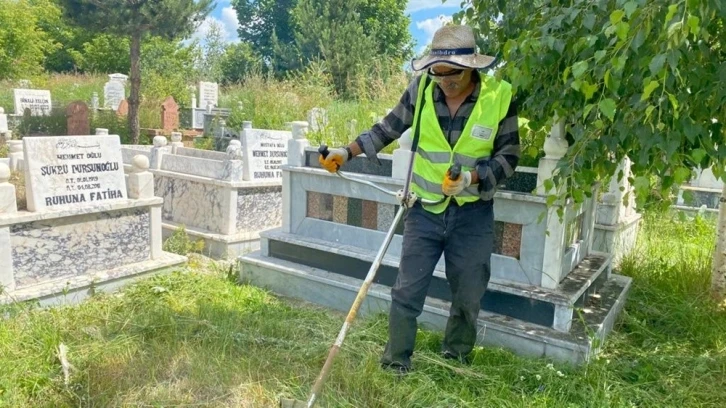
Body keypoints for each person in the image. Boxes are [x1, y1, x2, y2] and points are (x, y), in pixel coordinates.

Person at [318, 24, 520, 373]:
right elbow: (387, 128)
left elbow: (510, 156)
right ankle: (395, 362)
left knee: (468, 294)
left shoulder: (499, 96)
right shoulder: (423, 90)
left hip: (472, 215)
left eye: (452, 74)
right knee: (407, 291)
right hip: (425, 210)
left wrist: (473, 178)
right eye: (437, 73)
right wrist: (346, 152)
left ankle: (455, 357)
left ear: (471, 65)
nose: (445, 81)